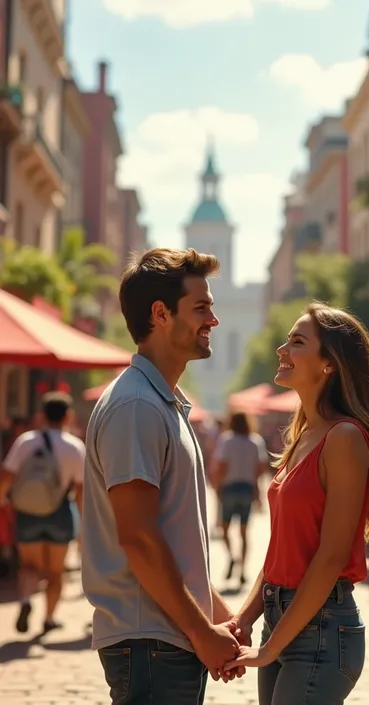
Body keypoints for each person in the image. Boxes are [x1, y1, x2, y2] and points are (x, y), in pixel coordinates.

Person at [81, 248, 247, 705]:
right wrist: (201, 630)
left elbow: (175, 538)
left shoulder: (161, 403)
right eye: (201, 308)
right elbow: (139, 538)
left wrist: (219, 618)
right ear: (160, 314)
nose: (213, 320)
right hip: (151, 640)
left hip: (163, 638)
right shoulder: (137, 405)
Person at [222, 301, 369, 704]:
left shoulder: (345, 437)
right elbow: (282, 551)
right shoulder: (304, 435)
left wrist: (269, 649)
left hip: (321, 627)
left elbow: (331, 557)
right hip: (282, 617)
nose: (282, 350)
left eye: (296, 342)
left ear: (329, 364)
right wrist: (244, 620)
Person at [0, 392, 84, 633]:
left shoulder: (26, 441)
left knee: (29, 564)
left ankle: (26, 600)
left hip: (27, 512)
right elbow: (80, 492)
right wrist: (85, 527)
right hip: (59, 513)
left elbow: (7, 477)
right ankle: (48, 619)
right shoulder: (75, 447)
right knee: (56, 572)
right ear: (68, 415)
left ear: (41, 416)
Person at [213, 411, 268, 585]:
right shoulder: (255, 441)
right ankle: (242, 569)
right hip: (247, 489)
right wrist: (258, 493)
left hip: (229, 488)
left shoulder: (226, 440)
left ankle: (232, 557)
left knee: (224, 529)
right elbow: (260, 469)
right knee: (244, 532)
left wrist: (217, 487)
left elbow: (221, 465)